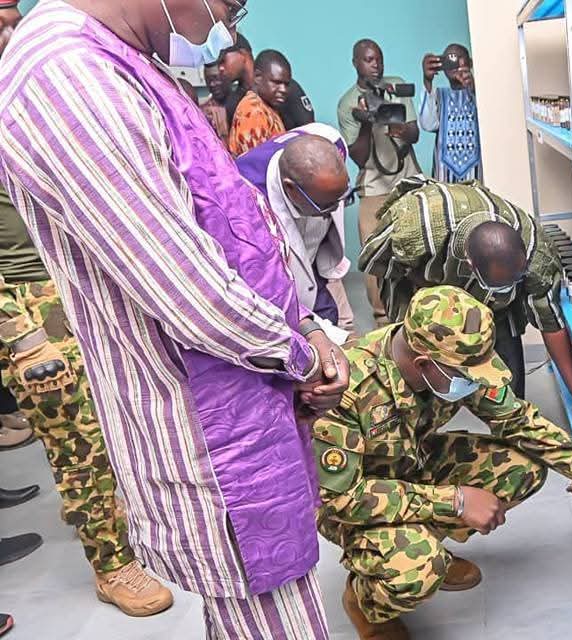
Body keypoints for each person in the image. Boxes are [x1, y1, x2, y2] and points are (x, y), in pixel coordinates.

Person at [0, 1, 349, 637]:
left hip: (243, 397)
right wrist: (300, 354)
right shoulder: (68, 74)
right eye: (229, 6)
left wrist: (307, 327)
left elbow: (230, 223)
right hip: (214, 427)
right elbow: (191, 292)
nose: (226, 29)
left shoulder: (117, 56)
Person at [312, 286, 572, 640]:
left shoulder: (452, 360)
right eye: (467, 375)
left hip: (414, 464)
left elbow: (518, 422)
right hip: (355, 501)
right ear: (422, 364)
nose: (474, 382)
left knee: (519, 469)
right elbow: (340, 498)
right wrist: (456, 501)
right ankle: (367, 601)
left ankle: (421, 541)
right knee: (416, 571)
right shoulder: (345, 389)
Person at [0, 0, 173, 617]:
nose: (8, 30)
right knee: (78, 440)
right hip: (24, 304)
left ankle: (119, 520)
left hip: (72, 283)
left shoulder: (29, 90)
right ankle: (111, 562)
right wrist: (19, 333)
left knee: (115, 416)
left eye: (12, 17)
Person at [358, 177, 572, 413]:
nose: (508, 286)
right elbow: (376, 263)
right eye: (498, 284)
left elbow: (551, 324)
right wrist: (424, 297)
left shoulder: (537, 254)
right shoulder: (419, 228)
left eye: (515, 280)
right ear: (470, 266)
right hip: (425, 287)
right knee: (422, 370)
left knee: (508, 374)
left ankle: (509, 415)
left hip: (497, 305)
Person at [236, 123, 356, 338]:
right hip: (279, 287)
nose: (334, 210)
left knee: (331, 314)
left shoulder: (333, 142)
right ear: (291, 189)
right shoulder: (246, 198)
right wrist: (324, 335)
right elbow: (275, 295)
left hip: (314, 267)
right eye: (325, 205)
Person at [338, 38, 421, 328]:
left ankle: (420, 310)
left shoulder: (395, 86)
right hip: (373, 184)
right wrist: (365, 121)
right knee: (374, 254)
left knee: (417, 246)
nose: (376, 65)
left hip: (407, 178)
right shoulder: (348, 103)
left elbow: (414, 134)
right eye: (369, 59)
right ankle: (382, 318)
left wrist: (392, 121)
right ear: (356, 63)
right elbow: (360, 158)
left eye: (379, 59)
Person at [420, 44, 482, 183]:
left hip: (476, 172)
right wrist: (427, 81)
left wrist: (473, 88)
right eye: (449, 60)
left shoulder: (479, 92)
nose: (454, 63)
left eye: (459, 58)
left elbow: (490, 121)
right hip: (444, 174)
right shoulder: (438, 95)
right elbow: (428, 124)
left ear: (470, 63)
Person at [228, 48, 290, 156]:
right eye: (276, 82)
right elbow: (257, 162)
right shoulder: (254, 111)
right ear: (257, 77)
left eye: (286, 84)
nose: (283, 90)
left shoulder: (267, 107)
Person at [201, 62, 230, 143]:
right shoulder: (204, 113)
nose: (212, 84)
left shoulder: (242, 104)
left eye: (216, 78)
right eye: (208, 80)